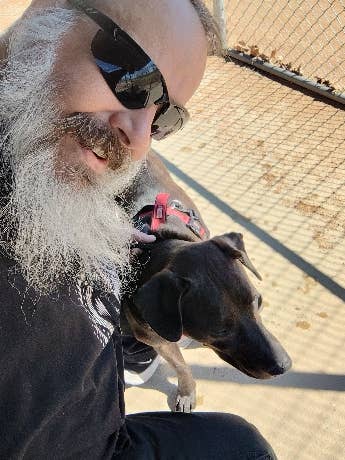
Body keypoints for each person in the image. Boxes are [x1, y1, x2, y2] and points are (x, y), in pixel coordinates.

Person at [0, 0, 278, 458]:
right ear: (46, 14)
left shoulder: (54, 134)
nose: (141, 141)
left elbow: (140, 155)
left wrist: (136, 221)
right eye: (133, 79)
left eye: (165, 118)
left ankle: (135, 352)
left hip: (105, 411)